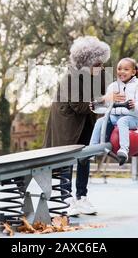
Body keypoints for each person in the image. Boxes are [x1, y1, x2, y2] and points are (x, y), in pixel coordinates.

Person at [43, 36, 110, 217]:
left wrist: (110, 100)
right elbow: (79, 106)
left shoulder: (95, 77)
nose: (102, 67)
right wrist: (103, 101)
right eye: (98, 64)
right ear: (86, 63)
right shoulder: (70, 78)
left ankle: (82, 197)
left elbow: (104, 95)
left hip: (85, 121)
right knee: (67, 159)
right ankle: (66, 199)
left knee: (84, 157)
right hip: (67, 124)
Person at [89, 57, 138, 165]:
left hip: (132, 118)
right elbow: (107, 106)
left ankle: (124, 149)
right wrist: (96, 106)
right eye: (119, 69)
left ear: (133, 72)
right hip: (114, 118)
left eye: (126, 69)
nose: (122, 71)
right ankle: (92, 149)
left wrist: (134, 106)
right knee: (100, 121)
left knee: (122, 121)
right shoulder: (113, 86)